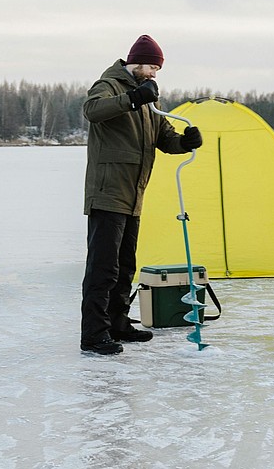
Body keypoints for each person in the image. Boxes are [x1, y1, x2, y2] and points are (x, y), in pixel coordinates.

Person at [80, 34, 203, 355]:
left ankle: (117, 323)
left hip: (133, 195)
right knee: (102, 269)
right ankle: (94, 334)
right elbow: (92, 111)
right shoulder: (109, 84)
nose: (154, 74)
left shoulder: (148, 98)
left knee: (125, 266)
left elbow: (165, 137)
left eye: (157, 70)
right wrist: (134, 98)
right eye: (151, 67)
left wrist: (185, 143)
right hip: (107, 192)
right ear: (135, 63)